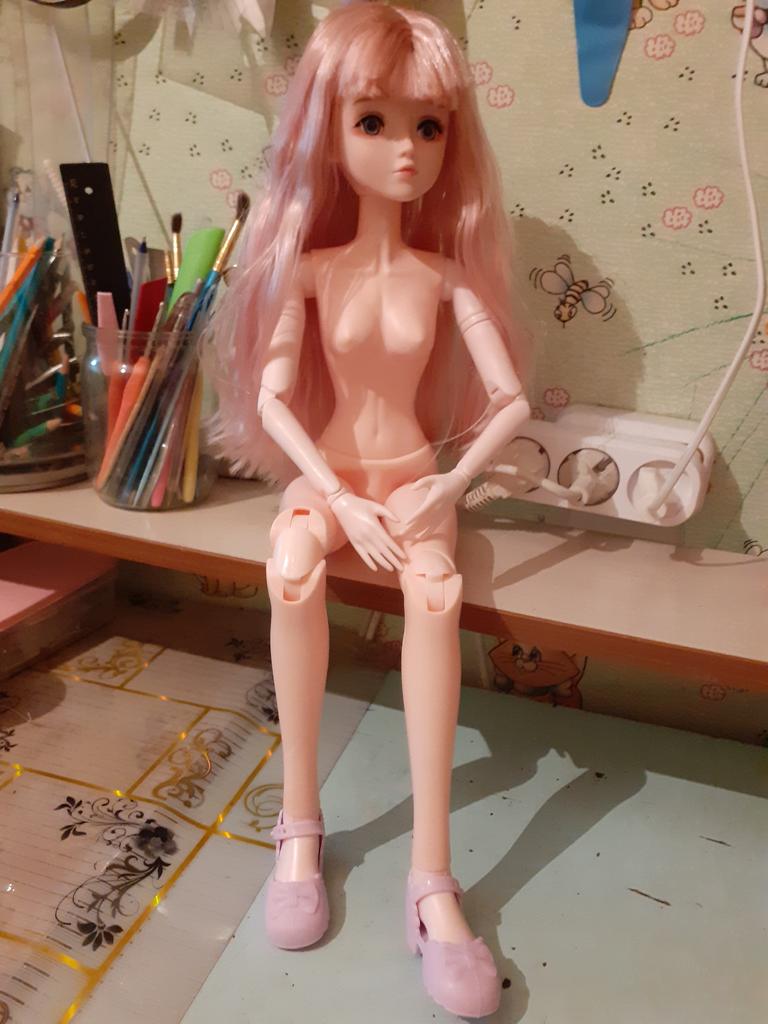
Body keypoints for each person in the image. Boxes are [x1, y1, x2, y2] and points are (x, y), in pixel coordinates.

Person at [210, 2, 531, 1016]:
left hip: (415, 483)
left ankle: (431, 881)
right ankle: (299, 827)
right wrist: (338, 498)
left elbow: (512, 400)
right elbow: (271, 398)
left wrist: (450, 483)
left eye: (427, 126)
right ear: (328, 129)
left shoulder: (445, 278)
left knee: (435, 596)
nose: (405, 150)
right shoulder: (307, 272)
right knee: (289, 569)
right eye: (374, 122)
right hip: (335, 475)